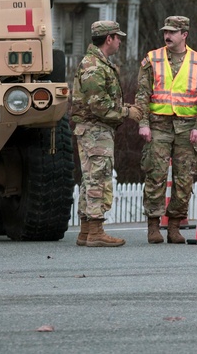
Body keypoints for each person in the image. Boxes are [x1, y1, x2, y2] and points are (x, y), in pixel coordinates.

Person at [135, 15, 197, 244]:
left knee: (184, 178)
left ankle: (175, 226)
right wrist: (143, 123)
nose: (167, 35)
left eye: (172, 32)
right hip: (158, 125)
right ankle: (153, 226)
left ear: (184, 35)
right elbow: (142, 94)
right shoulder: (153, 58)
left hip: (187, 128)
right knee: (155, 174)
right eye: (165, 32)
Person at [70, 19, 142, 247]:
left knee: (91, 177)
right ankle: (96, 231)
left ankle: (85, 231)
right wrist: (127, 112)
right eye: (117, 37)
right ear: (108, 38)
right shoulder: (94, 66)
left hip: (97, 130)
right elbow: (98, 106)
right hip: (95, 130)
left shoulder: (99, 63)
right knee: (98, 178)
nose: (120, 41)